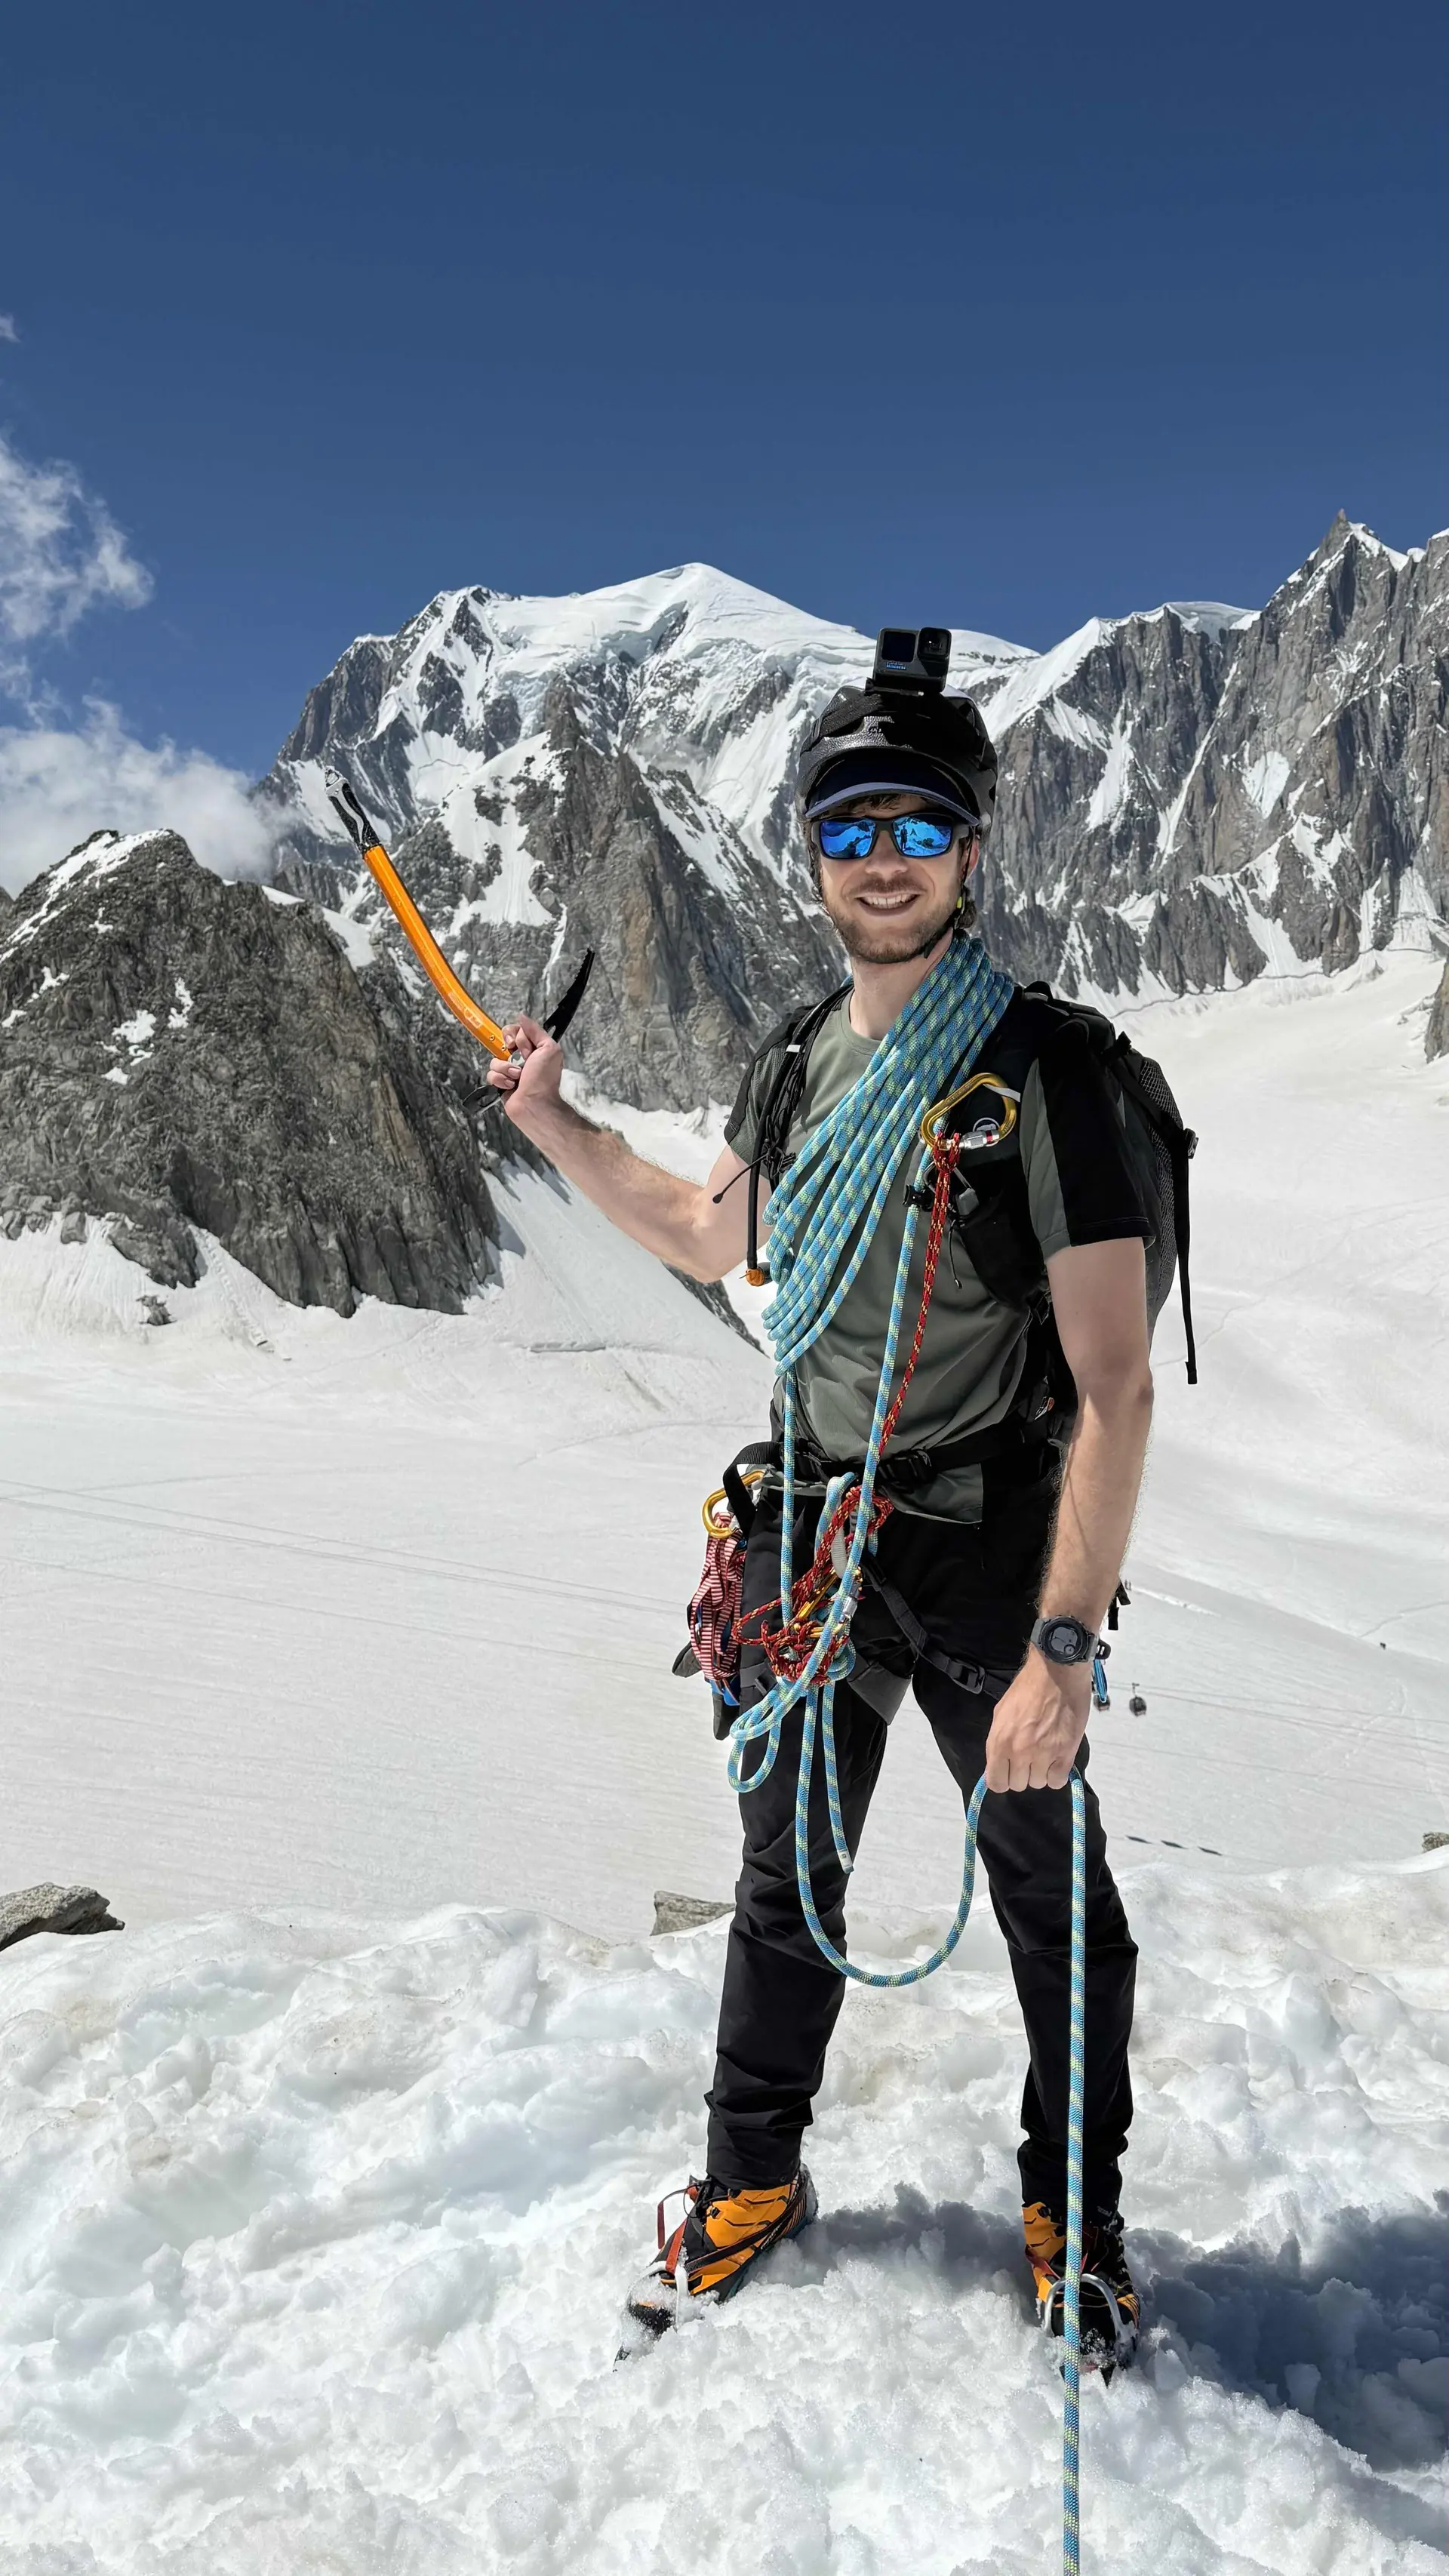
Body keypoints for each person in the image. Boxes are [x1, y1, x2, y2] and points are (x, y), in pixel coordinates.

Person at [489, 669, 1152, 2367]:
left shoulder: (1047, 1076)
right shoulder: (796, 1060)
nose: (884, 856)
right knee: (786, 1876)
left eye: (920, 824)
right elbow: (713, 1237)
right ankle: (749, 2180)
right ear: (811, 854)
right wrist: (554, 1120)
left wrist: (1063, 1652)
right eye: (851, 828)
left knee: (1052, 1892)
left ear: (972, 852)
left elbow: (1115, 1387)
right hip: (812, 1520)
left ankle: (1074, 2212)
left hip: (990, 1539)